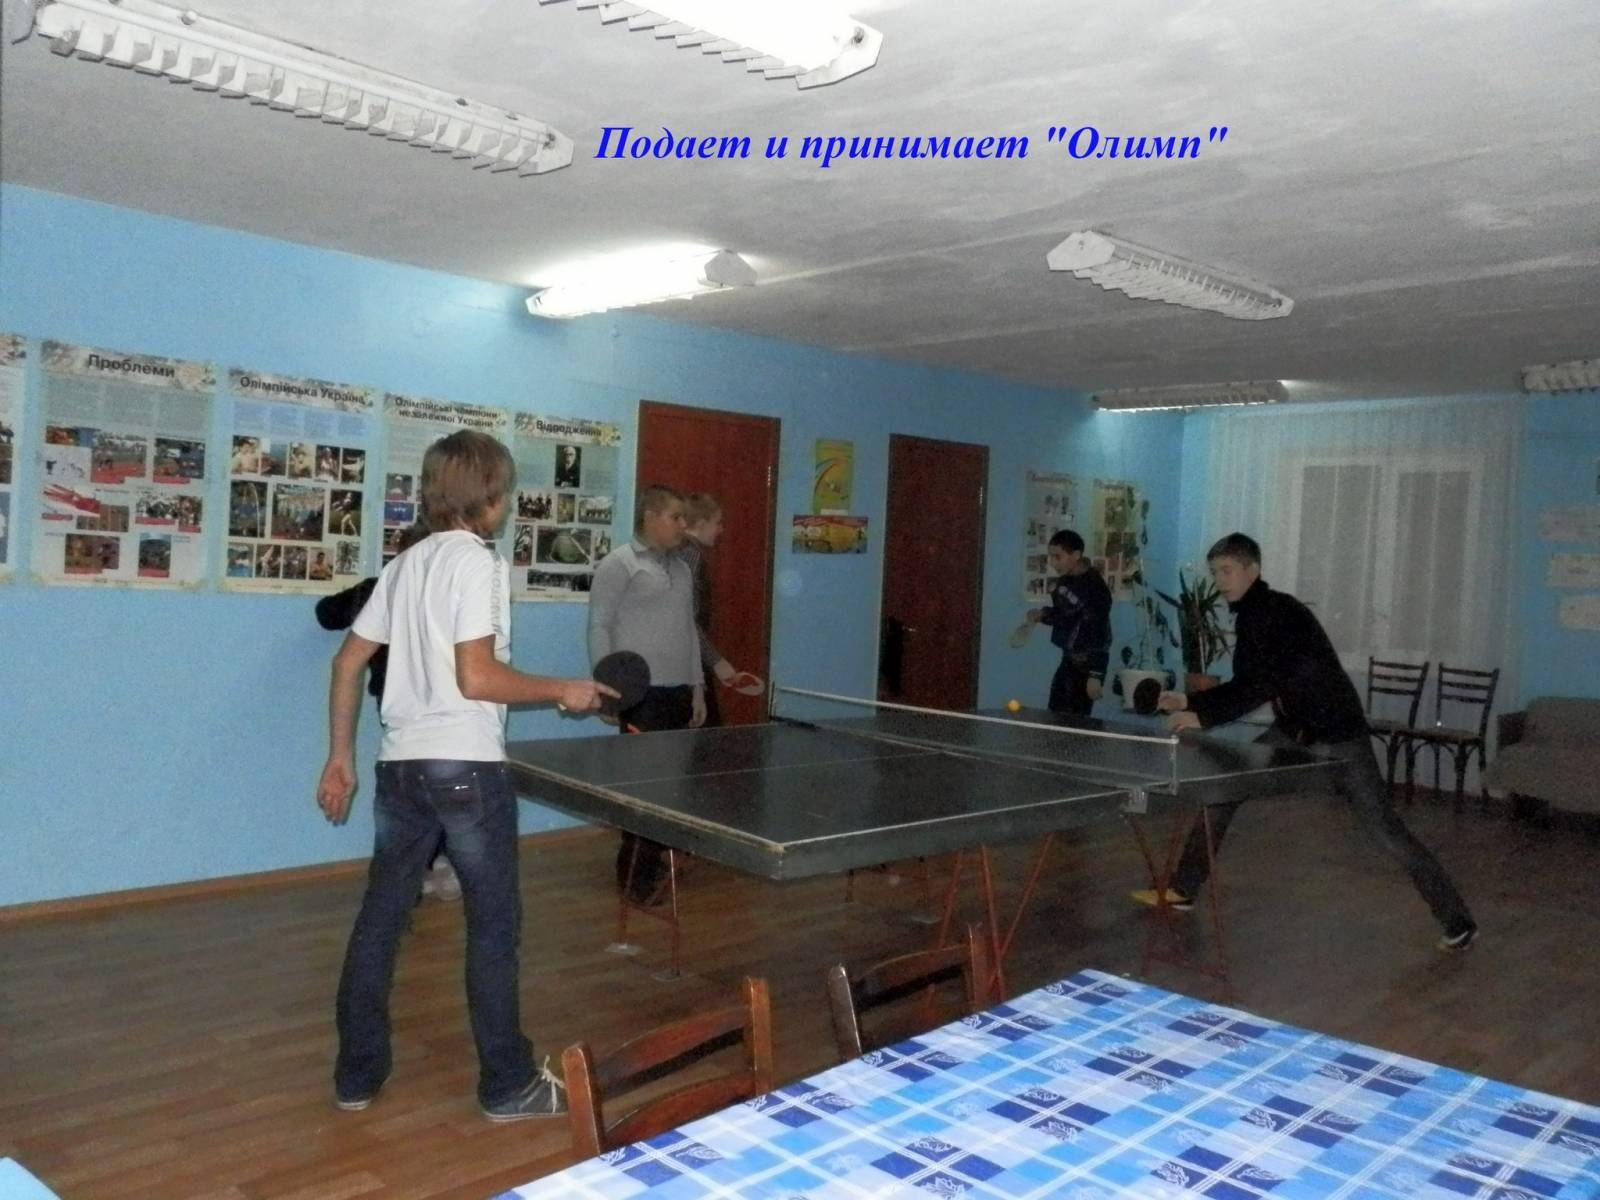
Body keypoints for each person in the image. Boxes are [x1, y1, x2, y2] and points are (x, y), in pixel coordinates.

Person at [314, 429, 614, 1119]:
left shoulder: (406, 563)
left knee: (381, 921)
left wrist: (340, 755)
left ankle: (356, 1076)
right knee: (493, 928)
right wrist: (562, 689)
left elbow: (347, 661)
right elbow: (476, 677)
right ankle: (509, 1085)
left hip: (400, 769)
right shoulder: (478, 563)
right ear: (492, 496)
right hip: (466, 771)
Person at [1144, 532, 1478, 952]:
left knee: (1386, 833)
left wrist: (1199, 713)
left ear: (1252, 570)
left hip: (1340, 737)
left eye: (1226, 571)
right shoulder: (1254, 612)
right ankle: (1182, 888)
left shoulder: (1275, 613)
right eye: (1215, 573)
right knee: (1222, 790)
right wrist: (1190, 701)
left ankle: (1458, 920)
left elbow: (1257, 685)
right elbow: (1251, 682)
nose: (1219, 580)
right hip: (1293, 731)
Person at [587, 483, 703, 903]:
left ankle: (657, 864)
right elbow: (599, 625)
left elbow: (689, 631)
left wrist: (698, 688)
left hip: (678, 692)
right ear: (650, 517)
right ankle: (634, 877)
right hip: (640, 696)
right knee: (643, 789)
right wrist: (606, 689)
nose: (683, 525)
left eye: (685, 518)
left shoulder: (683, 569)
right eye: (676, 517)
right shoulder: (619, 564)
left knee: (672, 787)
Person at [677, 493, 747, 728]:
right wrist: (717, 662)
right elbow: (687, 619)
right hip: (687, 663)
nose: (721, 529)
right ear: (701, 523)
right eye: (717, 523)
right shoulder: (691, 555)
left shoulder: (683, 551)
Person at [1025, 529, 1112, 715]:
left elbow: (1100, 632)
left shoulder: (1096, 588)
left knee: (1075, 723)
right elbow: (1064, 616)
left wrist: (1096, 674)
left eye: (1058, 557)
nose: (1053, 562)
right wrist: (1043, 614)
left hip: (1087, 665)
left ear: (1076, 555)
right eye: (1051, 557)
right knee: (1055, 715)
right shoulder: (1065, 581)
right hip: (1068, 661)